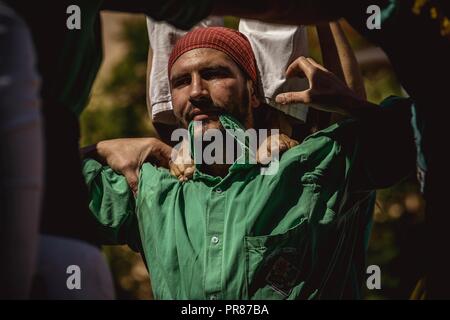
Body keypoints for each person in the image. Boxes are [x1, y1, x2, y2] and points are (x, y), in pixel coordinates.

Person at [81, 27, 415, 299]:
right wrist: (101, 149)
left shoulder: (309, 166)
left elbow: (421, 137)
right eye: (181, 81)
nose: (196, 91)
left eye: (213, 74)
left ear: (253, 93)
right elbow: (40, 189)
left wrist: (350, 104)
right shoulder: (151, 188)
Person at [209, 0, 450, 298]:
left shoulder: (319, 162)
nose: (198, 92)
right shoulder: (183, 179)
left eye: (215, 76)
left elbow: (365, 131)